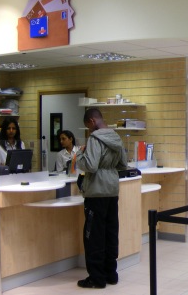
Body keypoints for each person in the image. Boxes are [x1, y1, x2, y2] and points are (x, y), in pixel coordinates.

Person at [75, 108, 128, 289]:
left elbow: (90, 165)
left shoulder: (95, 139)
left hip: (96, 191)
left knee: (94, 236)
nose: (88, 130)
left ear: (91, 121)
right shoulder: (116, 138)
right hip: (112, 190)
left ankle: (96, 278)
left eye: (87, 127)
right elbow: (123, 164)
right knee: (110, 233)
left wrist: (80, 154)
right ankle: (111, 274)